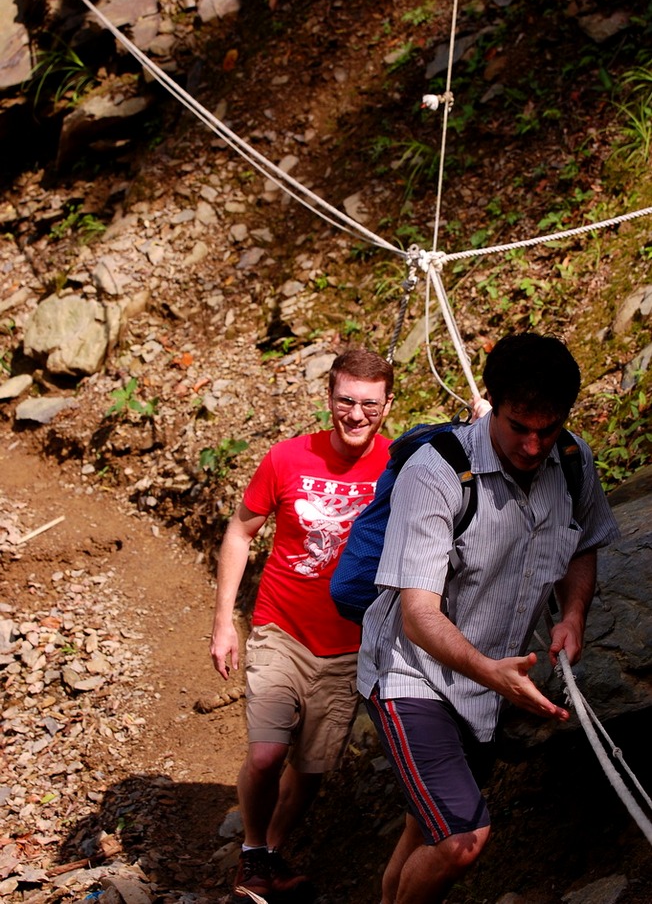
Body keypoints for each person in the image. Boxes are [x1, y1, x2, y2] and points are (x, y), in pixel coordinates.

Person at [356, 332, 620, 904]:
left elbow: (585, 543)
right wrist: (491, 672)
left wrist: (572, 615)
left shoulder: (573, 462)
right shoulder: (437, 472)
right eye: (518, 427)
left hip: (487, 687)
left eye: (546, 429)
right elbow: (419, 614)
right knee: (462, 839)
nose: (532, 446)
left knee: (424, 823)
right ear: (490, 405)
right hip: (412, 674)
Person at [210, 347, 395, 899]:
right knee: (268, 754)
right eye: (346, 401)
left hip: (352, 643)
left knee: (312, 767)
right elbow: (240, 534)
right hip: (281, 628)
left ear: (387, 405)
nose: (356, 414)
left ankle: (269, 855)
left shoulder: (399, 462)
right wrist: (224, 621)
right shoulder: (287, 458)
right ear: (329, 398)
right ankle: (251, 851)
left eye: (369, 404)